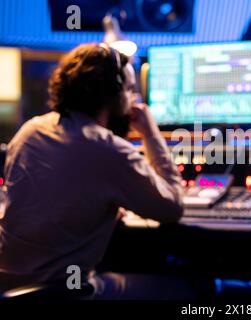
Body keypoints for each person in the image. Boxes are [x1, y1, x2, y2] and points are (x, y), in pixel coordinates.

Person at [0, 43, 191, 299]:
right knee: (184, 289)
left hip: (7, 288)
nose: (134, 98)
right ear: (113, 93)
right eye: (130, 89)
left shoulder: (30, 130)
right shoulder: (110, 150)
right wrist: (150, 133)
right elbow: (172, 207)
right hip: (63, 291)